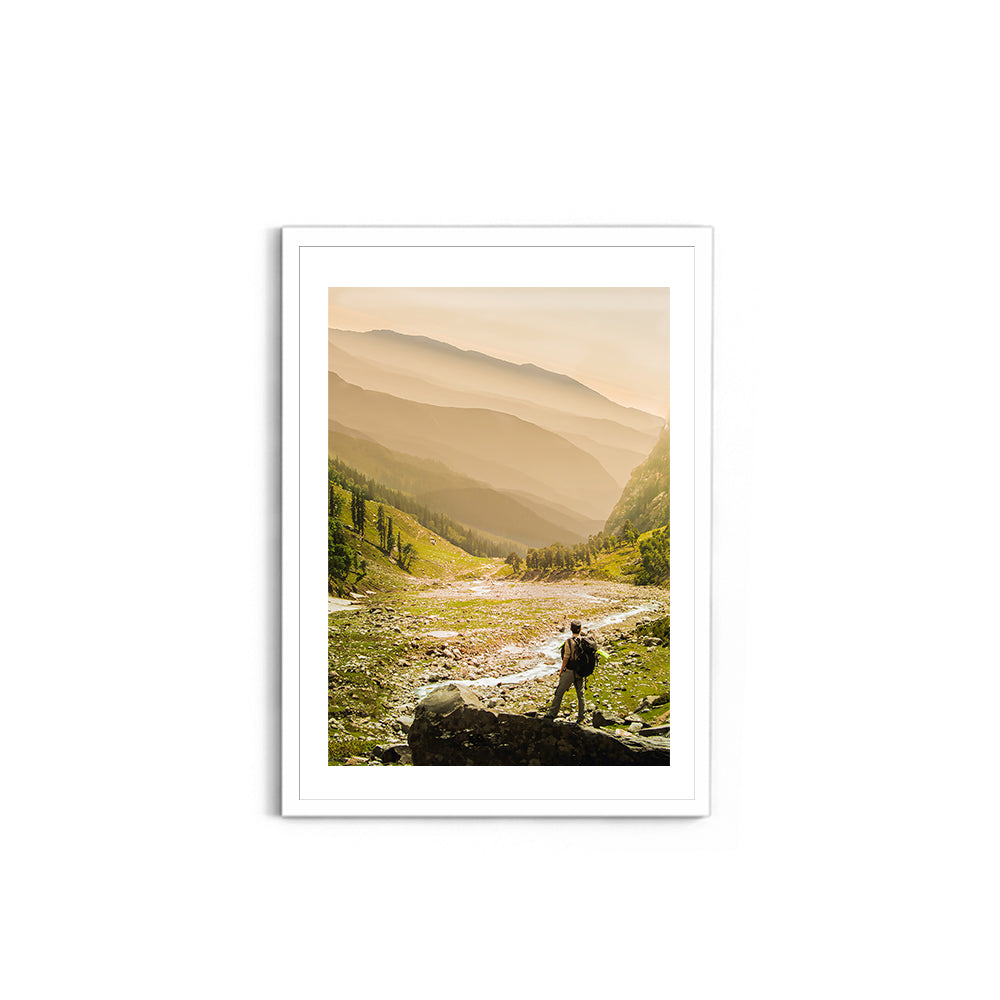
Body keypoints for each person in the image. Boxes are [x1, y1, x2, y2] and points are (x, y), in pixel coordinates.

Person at [543, 619, 587, 723]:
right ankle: (582, 717)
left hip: (570, 671)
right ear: (580, 629)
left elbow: (566, 658)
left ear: (571, 629)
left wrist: (561, 670)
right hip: (580, 671)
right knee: (580, 694)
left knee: (559, 692)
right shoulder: (584, 641)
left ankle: (552, 713)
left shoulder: (569, 642)